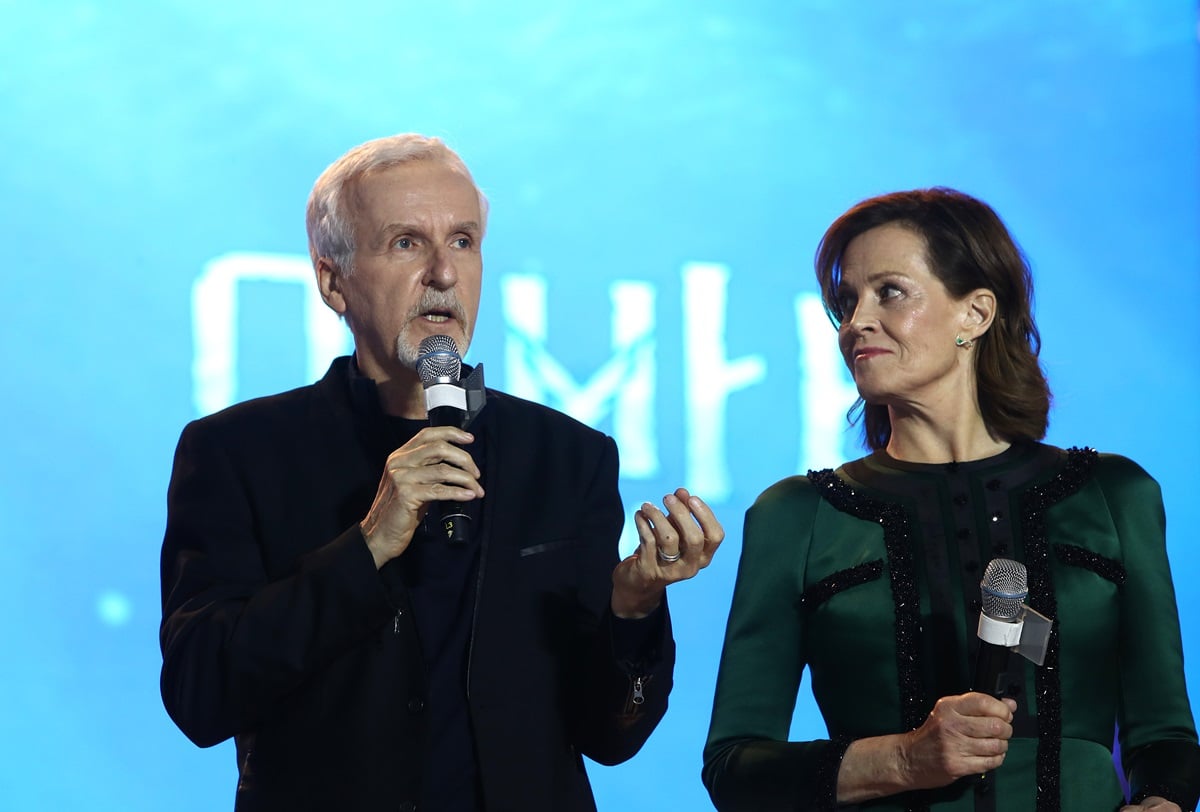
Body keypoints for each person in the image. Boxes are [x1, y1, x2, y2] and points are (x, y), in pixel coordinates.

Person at [159, 133, 724, 812]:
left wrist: (631, 607)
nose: (445, 274)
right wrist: (367, 546)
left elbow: (609, 735)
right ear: (333, 281)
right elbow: (200, 695)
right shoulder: (239, 452)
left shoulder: (567, 456)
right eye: (406, 243)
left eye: (462, 241)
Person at [702, 187, 1200, 811]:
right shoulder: (800, 515)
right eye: (845, 300)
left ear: (977, 313)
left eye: (890, 292)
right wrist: (907, 760)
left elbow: (1165, 736)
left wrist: (1164, 801)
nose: (856, 321)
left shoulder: (1112, 496)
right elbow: (735, 767)